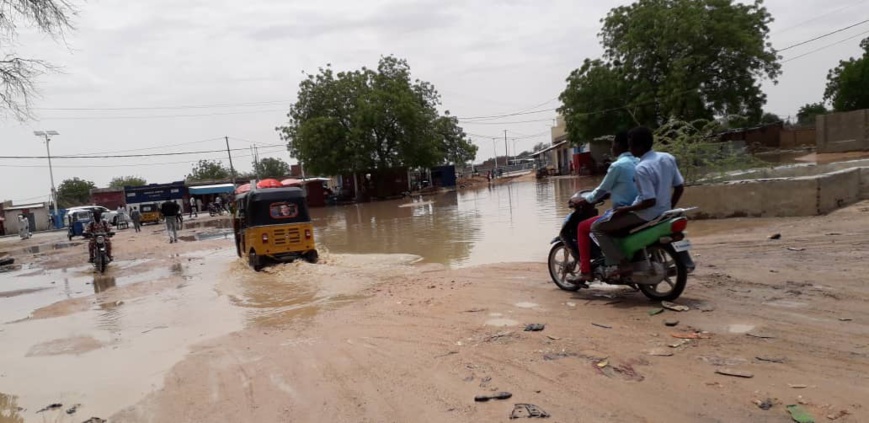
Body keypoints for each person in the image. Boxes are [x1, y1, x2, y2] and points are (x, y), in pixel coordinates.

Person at [592, 126, 685, 275]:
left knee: (597, 228)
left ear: (639, 146)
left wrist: (625, 209)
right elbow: (679, 187)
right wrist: (668, 207)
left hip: (644, 214)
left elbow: (649, 201)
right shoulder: (667, 157)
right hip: (664, 212)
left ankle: (623, 263)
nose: (629, 149)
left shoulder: (642, 168)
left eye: (631, 145)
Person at [568, 132, 638, 282]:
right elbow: (624, 187)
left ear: (619, 145)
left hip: (623, 213)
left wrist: (585, 201)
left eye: (613, 144)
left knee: (583, 227)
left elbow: (601, 190)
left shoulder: (617, 166)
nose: (612, 147)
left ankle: (586, 271)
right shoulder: (639, 161)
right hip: (640, 209)